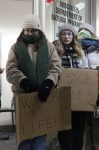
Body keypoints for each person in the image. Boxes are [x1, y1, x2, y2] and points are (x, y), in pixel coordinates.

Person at [6, 13, 61, 150]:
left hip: (43, 96)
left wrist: (48, 83)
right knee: (25, 135)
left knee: (41, 134)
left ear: (39, 30)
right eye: (26, 30)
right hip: (22, 97)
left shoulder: (49, 47)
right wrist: (25, 83)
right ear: (23, 30)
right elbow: (11, 70)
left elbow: (56, 68)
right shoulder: (15, 47)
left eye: (33, 30)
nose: (29, 33)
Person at [77, 23, 99, 150]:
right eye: (81, 31)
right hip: (83, 91)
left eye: (86, 31)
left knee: (97, 122)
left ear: (92, 34)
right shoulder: (76, 47)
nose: (83, 34)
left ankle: (97, 147)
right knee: (85, 123)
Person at [53, 23, 87, 150]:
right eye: (63, 34)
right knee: (64, 129)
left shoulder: (80, 52)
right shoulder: (54, 51)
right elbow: (53, 70)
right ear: (60, 36)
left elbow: (85, 69)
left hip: (79, 95)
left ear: (73, 36)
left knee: (78, 128)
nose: (66, 36)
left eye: (69, 34)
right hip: (62, 95)